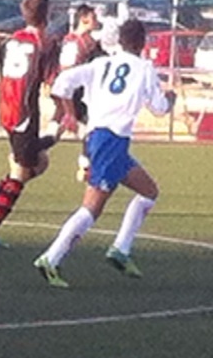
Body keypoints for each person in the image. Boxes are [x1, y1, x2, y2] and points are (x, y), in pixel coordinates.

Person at [33, 18, 175, 287]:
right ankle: (51, 259)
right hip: (111, 141)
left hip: (102, 139)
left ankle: (121, 249)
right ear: (143, 43)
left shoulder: (101, 64)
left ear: (120, 41)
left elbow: (62, 83)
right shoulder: (144, 69)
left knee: (149, 192)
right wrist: (170, 99)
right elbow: (158, 109)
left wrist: (70, 114)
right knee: (91, 208)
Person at [0, 0, 58, 249]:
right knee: (21, 173)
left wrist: (0, 88)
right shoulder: (45, 44)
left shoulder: (10, 40)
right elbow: (53, 84)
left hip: (7, 111)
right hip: (25, 116)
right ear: (48, 15)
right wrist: (63, 113)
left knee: (39, 162)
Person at [53, 3, 104, 180]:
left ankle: (85, 166)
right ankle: (85, 165)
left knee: (83, 130)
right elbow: (67, 68)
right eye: (93, 17)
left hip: (76, 92)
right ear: (83, 19)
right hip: (76, 94)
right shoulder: (79, 42)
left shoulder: (78, 40)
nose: (96, 21)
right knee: (88, 129)